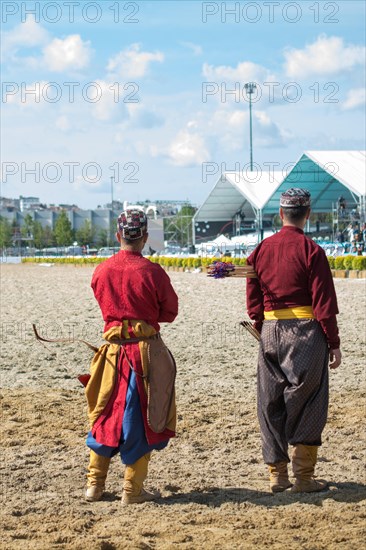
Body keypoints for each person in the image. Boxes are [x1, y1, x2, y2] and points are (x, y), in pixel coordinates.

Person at [246, 188, 342, 494]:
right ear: (308, 215)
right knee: (309, 398)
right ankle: (303, 477)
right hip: (306, 331)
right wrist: (334, 342)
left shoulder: (261, 249)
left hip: (271, 331)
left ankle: (278, 475)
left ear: (280, 215)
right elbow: (324, 303)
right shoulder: (313, 251)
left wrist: (260, 322)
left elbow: (252, 290)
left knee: (269, 399)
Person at [85, 209, 178, 505]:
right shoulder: (153, 272)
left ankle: (94, 486)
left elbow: (101, 300)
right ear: (146, 238)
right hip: (143, 358)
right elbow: (171, 312)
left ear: (118, 236)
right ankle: (132, 490)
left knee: (105, 416)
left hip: (111, 356)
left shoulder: (101, 270)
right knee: (143, 418)